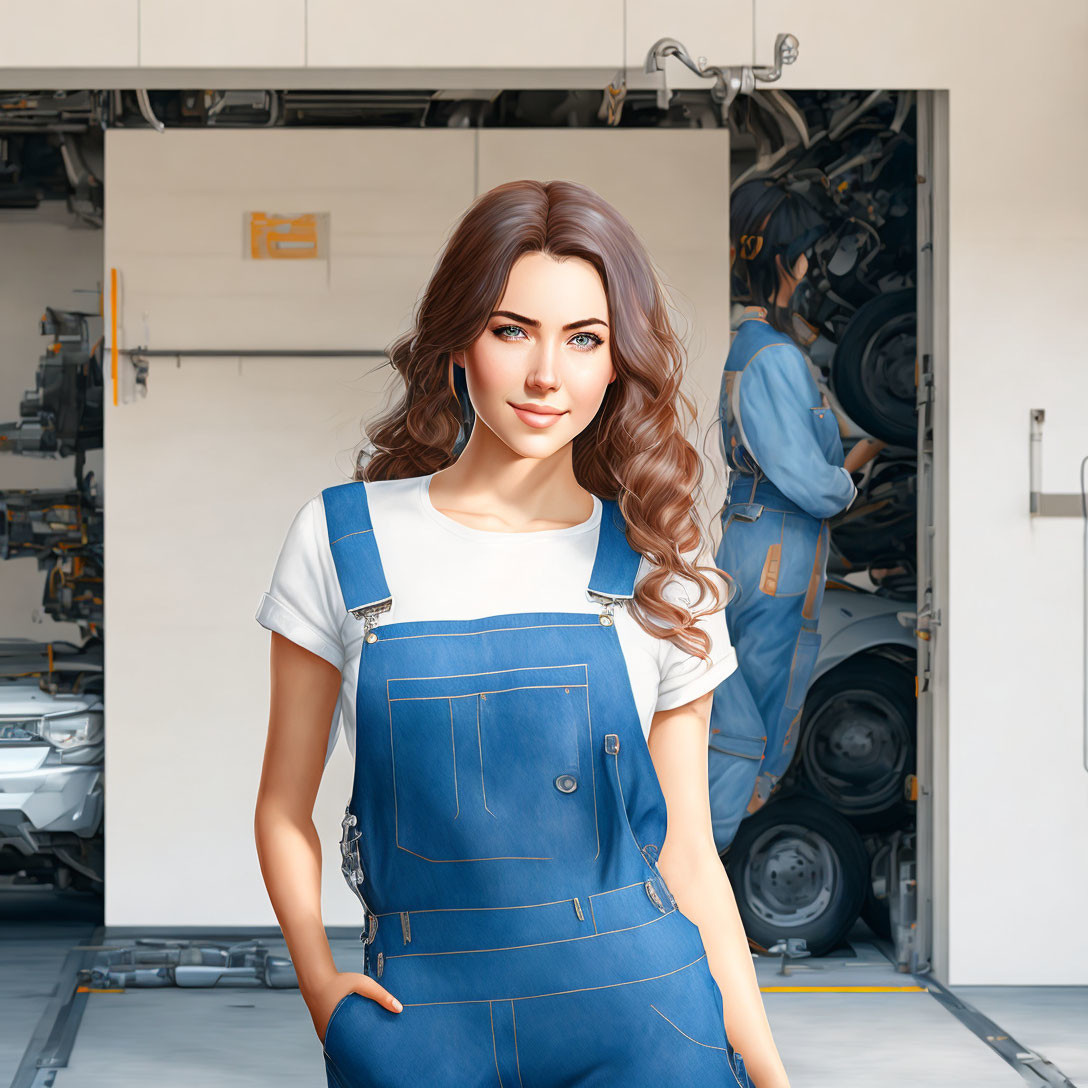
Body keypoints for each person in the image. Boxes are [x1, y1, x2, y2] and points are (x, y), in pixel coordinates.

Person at [253, 179, 790, 1087]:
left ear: (617, 363)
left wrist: (771, 1074)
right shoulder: (344, 540)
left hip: (647, 1021)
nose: (548, 376)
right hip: (423, 1031)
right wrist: (322, 993)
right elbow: (282, 809)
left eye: (584, 340)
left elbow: (689, 854)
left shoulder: (659, 561)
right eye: (513, 331)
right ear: (461, 342)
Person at [707, 179, 886, 853]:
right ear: (786, 261)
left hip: (756, 536)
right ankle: (691, 907)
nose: (815, 267)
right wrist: (846, 482)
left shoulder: (751, 345)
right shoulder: (775, 359)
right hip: (780, 548)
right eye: (809, 253)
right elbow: (812, 485)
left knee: (738, 717)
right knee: (749, 729)